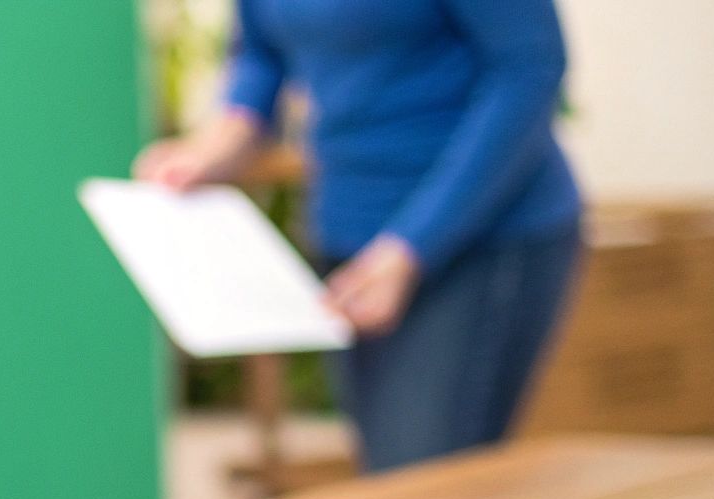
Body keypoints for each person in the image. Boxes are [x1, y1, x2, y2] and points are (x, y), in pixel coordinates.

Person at [135, 0, 583, 472]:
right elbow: (260, 54)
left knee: (421, 482)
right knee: (387, 475)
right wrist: (217, 147)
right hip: (350, 230)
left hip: (481, 233)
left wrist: (413, 246)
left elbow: (529, 70)